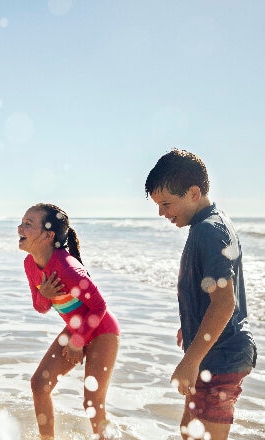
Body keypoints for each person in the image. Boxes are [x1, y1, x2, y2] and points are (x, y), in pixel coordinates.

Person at [145, 148, 257, 440]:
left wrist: (191, 360)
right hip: (215, 351)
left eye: (167, 204)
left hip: (222, 357)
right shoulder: (207, 224)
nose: (162, 213)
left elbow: (224, 304)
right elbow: (209, 296)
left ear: (193, 192)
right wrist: (192, 325)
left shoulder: (209, 230)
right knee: (188, 431)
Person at [18, 203, 120, 439]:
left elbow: (99, 306)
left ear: (48, 235)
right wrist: (45, 294)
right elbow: (40, 306)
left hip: (102, 329)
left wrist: (78, 340)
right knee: (39, 386)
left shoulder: (67, 267)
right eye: (22, 222)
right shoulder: (30, 264)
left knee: (93, 402)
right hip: (76, 328)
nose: (19, 228)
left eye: (27, 224)